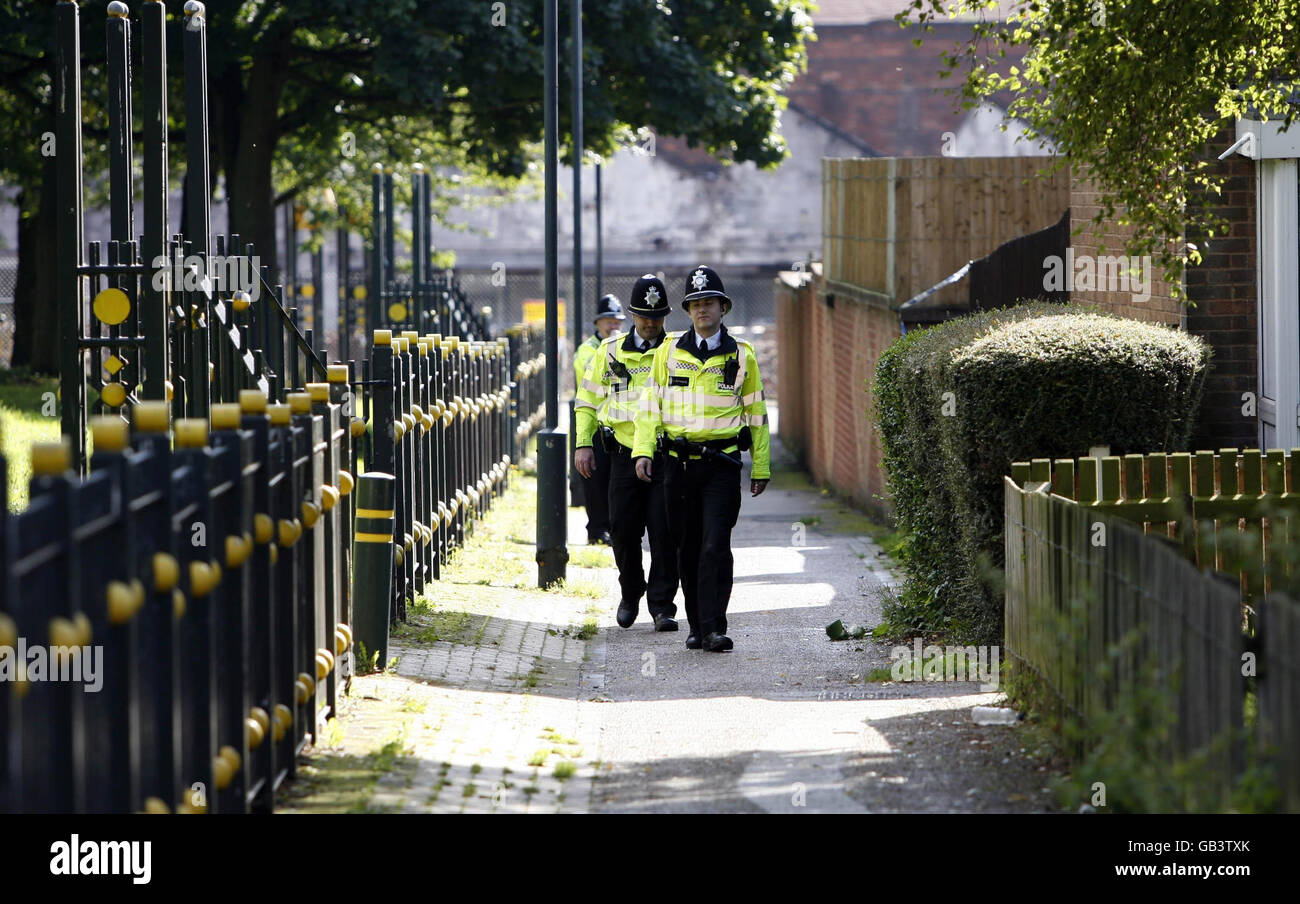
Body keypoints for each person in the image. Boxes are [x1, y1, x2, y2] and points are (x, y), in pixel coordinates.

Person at [632, 265, 769, 652]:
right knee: (687, 548)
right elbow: (649, 408)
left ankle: (714, 627)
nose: (702, 309)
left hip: (722, 465)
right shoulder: (668, 352)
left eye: (708, 302)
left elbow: (757, 416)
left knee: (715, 545)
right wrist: (643, 451)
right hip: (677, 465)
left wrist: (761, 466)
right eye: (695, 304)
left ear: (723, 307)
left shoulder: (743, 355)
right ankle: (696, 624)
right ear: (688, 311)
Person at [574, 275, 680, 631]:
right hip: (622, 453)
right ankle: (631, 589)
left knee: (664, 531)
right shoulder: (611, 351)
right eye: (644, 316)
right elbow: (587, 401)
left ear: (665, 316)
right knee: (622, 529)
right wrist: (583, 443)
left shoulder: (677, 352)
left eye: (658, 316)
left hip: (666, 456)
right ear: (633, 314)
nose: (651, 323)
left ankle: (662, 605)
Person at [573, 294, 625, 545]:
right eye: (608, 321)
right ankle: (596, 530)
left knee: (614, 480)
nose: (613, 326)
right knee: (594, 480)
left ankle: (612, 527)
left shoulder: (622, 347)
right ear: (597, 324)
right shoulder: (588, 351)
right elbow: (599, 381)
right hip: (594, 422)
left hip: (616, 423)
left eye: (617, 321)